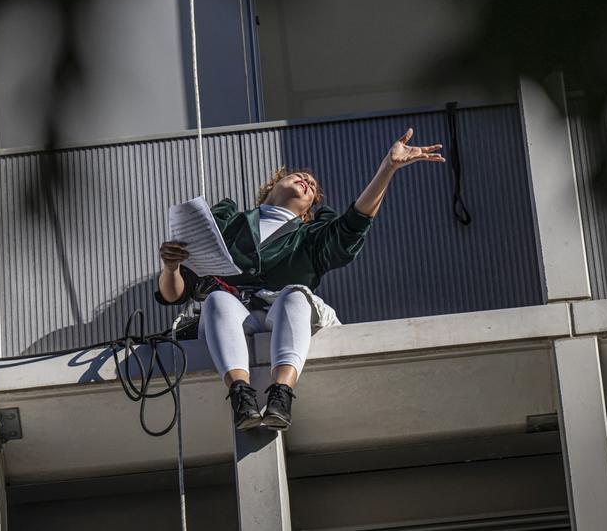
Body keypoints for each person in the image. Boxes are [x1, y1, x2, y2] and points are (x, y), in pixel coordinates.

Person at [155, 128, 444, 431]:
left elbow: (355, 223)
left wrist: (388, 167)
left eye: (312, 187)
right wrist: (171, 267)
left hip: (283, 310)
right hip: (234, 314)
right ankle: (241, 394)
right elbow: (174, 293)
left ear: (309, 210)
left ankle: (281, 394)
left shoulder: (311, 237)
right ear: (272, 185)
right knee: (216, 298)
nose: (306, 180)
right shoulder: (230, 222)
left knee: (296, 295)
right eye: (297, 176)